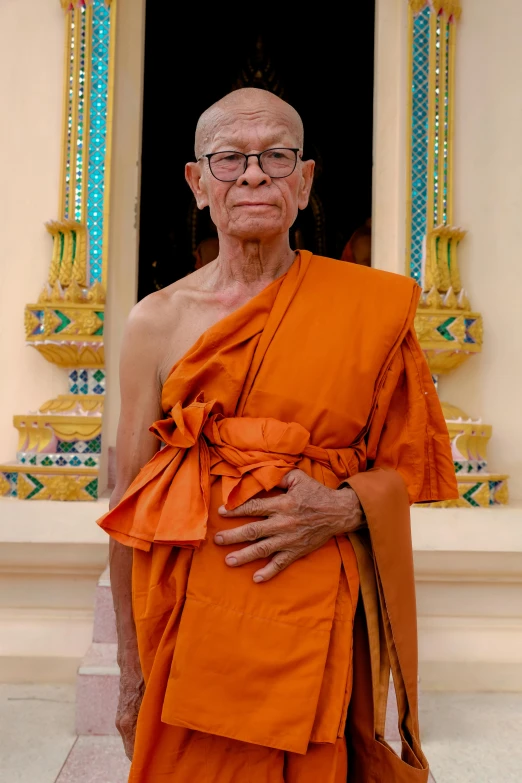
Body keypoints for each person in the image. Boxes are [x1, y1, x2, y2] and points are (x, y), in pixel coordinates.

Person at [98, 87, 458, 783]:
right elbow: (128, 510)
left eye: (276, 155)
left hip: (315, 625)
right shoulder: (156, 322)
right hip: (188, 631)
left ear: (306, 179)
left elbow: (415, 466)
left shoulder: (368, 309)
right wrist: (129, 670)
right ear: (197, 183)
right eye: (230, 158)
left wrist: (344, 506)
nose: (254, 174)